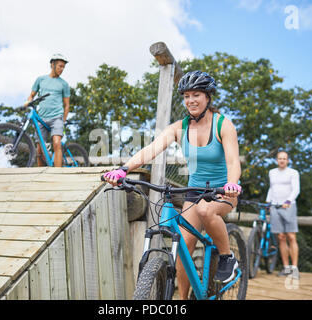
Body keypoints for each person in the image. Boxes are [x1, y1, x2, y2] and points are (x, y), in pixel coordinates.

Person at [103, 70, 242, 300]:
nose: (191, 100)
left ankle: (227, 257)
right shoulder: (179, 127)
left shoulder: (223, 125)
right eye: (186, 96)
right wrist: (123, 169)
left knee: (206, 210)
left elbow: (233, 162)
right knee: (182, 252)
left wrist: (232, 184)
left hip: (223, 190)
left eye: (196, 94)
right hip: (194, 190)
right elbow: (152, 148)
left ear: (208, 97)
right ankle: (183, 299)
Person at [26, 53, 70, 167]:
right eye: (60, 66)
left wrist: (63, 120)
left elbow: (66, 105)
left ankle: (57, 173)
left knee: (56, 143)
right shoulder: (41, 80)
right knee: (39, 148)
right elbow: (31, 95)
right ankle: (40, 173)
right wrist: (28, 100)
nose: (62, 69)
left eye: (63, 67)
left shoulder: (64, 84)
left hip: (57, 117)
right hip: (42, 118)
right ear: (52, 64)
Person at [266, 151, 300, 279]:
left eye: (284, 159)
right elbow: (271, 188)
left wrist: (288, 201)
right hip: (275, 206)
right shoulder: (272, 172)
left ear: (288, 160)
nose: (282, 160)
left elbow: (296, 189)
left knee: (291, 236)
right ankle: (286, 268)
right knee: (281, 237)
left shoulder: (293, 173)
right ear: (276, 160)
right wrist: (268, 201)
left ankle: (294, 268)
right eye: (280, 158)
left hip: (289, 206)